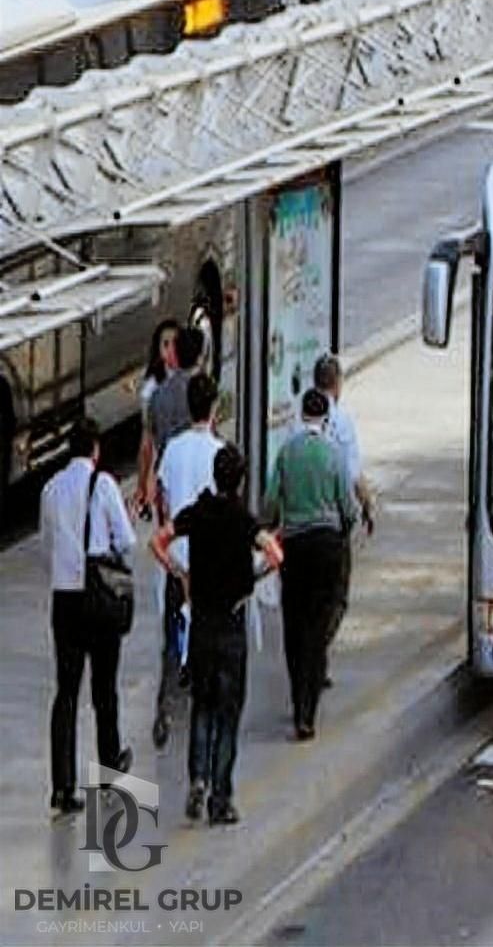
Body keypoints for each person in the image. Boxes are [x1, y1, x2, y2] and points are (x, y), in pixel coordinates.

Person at [153, 445, 281, 827]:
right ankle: (221, 798)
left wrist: (181, 572)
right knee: (229, 713)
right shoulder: (244, 520)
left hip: (202, 626)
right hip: (231, 624)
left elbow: (157, 540)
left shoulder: (198, 512)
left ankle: (197, 778)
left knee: (202, 706)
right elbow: (275, 554)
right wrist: (252, 579)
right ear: (240, 480)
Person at [39, 420, 135, 814]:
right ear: (95, 449)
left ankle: (62, 786)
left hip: (65, 598)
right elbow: (127, 540)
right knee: (104, 688)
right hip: (99, 598)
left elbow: (46, 545)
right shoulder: (105, 485)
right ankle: (110, 769)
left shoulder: (50, 489)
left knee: (66, 691)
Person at [263, 388, 359, 741]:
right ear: (326, 419)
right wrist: (344, 530)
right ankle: (309, 712)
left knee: (294, 623)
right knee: (318, 626)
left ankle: (297, 697)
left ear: (302, 415)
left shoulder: (287, 452)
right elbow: (348, 506)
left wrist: (270, 525)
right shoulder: (334, 453)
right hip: (327, 546)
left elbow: (271, 500)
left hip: (296, 545)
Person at [150, 371, 223, 750]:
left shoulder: (174, 449)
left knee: (171, 636)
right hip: (206, 567)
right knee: (205, 641)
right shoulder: (218, 454)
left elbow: (161, 500)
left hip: (175, 559)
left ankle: (165, 701)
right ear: (214, 408)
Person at [145, 326, 206, 747]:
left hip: (171, 521)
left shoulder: (159, 398)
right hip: (199, 526)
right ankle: (191, 676)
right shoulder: (200, 401)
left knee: (172, 615)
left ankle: (166, 695)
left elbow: (151, 452)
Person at [312, 355, 374, 671]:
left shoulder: (301, 419)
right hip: (334, 523)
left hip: (301, 523)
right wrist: (367, 506)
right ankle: (318, 648)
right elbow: (353, 474)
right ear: (336, 384)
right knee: (336, 594)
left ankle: (311, 648)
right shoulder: (342, 422)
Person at [134, 318, 179, 520]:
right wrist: (142, 484)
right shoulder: (151, 389)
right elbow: (146, 441)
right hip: (166, 468)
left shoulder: (191, 378)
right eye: (165, 344)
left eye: (175, 343)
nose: (170, 350)